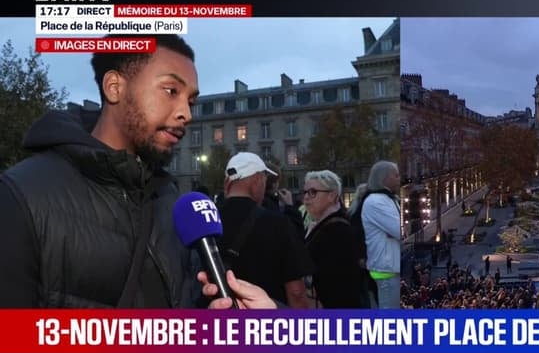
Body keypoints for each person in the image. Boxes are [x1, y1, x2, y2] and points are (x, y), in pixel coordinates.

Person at [0, 34, 240, 308]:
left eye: (191, 101)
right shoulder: (20, 199)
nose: (186, 113)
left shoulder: (169, 200)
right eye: (171, 91)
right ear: (114, 87)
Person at [219, 152, 313, 308]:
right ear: (257, 180)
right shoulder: (278, 223)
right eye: (264, 180)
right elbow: (296, 291)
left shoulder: (208, 220)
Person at [302, 170, 367, 308]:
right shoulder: (322, 225)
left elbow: (340, 284)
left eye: (313, 192)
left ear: (332, 196)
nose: (306, 197)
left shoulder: (338, 230)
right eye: (305, 192)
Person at [360, 161, 402, 308]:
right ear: (384, 178)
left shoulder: (388, 199)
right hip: (387, 269)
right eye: (396, 175)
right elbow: (400, 230)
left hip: (391, 267)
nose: (399, 178)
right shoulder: (375, 201)